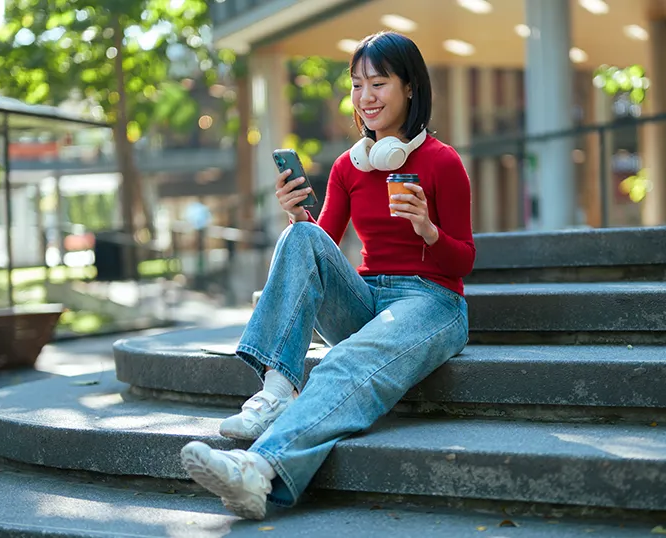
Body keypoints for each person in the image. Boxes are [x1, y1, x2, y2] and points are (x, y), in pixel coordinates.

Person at [179, 31, 475, 520]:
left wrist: (427, 229)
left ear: (410, 89)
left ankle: (258, 470)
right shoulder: (348, 167)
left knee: (344, 362)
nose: (366, 97)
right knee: (299, 237)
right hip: (365, 297)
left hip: (431, 301)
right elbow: (320, 245)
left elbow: (463, 262)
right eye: (357, 85)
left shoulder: (443, 163)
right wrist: (297, 214)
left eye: (378, 83)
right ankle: (276, 390)